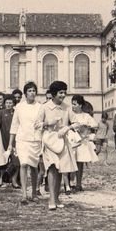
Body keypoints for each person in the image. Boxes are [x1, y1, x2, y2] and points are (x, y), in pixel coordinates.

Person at [38, 81, 80, 210]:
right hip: (49, 140)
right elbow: (36, 124)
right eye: (61, 92)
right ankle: (51, 198)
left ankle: (56, 197)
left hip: (62, 141)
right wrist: (47, 123)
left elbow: (77, 122)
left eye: (64, 92)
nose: (63, 95)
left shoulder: (67, 107)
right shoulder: (45, 107)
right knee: (52, 168)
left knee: (60, 169)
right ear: (54, 93)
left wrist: (67, 128)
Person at [10, 81, 43, 204]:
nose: (32, 93)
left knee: (34, 167)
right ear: (25, 93)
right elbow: (14, 126)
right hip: (22, 140)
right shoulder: (19, 107)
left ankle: (34, 192)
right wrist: (10, 144)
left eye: (34, 90)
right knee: (23, 164)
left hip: (35, 140)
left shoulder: (40, 107)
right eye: (29, 91)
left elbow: (42, 124)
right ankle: (24, 194)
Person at [69, 95, 98, 191]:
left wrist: (87, 125)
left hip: (82, 141)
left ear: (80, 105)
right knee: (70, 161)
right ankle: (69, 183)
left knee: (80, 162)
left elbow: (95, 125)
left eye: (75, 104)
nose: (73, 106)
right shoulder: (70, 114)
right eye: (72, 104)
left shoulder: (86, 116)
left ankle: (78, 183)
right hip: (72, 140)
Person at [0, 95, 16, 187]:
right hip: (3, 139)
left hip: (15, 140)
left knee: (16, 160)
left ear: (13, 104)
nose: (8, 105)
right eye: (7, 103)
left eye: (10, 103)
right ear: (4, 104)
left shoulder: (16, 113)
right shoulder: (0, 113)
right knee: (3, 160)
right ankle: (0, 179)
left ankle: (14, 180)